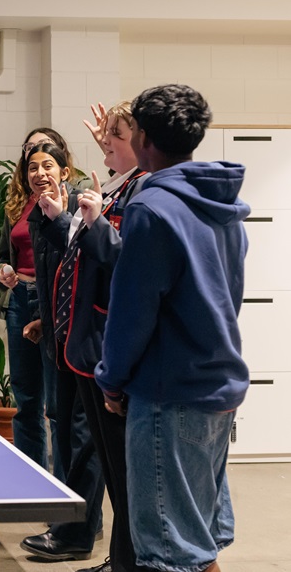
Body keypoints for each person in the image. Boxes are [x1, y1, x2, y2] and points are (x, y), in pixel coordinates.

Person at [96, 84, 250, 572]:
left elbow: (132, 309)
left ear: (143, 139)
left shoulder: (151, 209)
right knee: (194, 543)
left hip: (168, 392)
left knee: (170, 551)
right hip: (216, 386)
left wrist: (112, 378)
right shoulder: (225, 207)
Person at [31, 102, 148, 572]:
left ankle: (127, 562)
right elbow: (86, 255)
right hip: (84, 348)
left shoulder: (144, 190)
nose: (103, 141)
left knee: (124, 477)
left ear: (141, 142)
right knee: (116, 475)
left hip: (107, 350)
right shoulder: (118, 186)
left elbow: (126, 263)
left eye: (113, 135)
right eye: (102, 136)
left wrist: (94, 221)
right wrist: (64, 220)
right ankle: (120, 559)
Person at [16, 142, 105, 565]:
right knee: (65, 434)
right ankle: (74, 521)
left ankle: (78, 531)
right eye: (32, 168)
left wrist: (66, 218)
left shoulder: (82, 212)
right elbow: (48, 281)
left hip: (86, 344)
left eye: (47, 166)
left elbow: (91, 266)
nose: (39, 173)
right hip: (58, 341)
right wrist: (42, 321)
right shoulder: (38, 217)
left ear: (65, 172)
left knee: (83, 438)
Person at [0, 127, 82, 478]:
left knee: (59, 405)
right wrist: (4, 271)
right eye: (31, 159)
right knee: (26, 400)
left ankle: (64, 490)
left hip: (57, 307)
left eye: (47, 159)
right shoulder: (16, 204)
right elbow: (2, 256)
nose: (39, 171)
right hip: (20, 300)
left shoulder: (74, 202)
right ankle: (32, 482)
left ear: (62, 164)